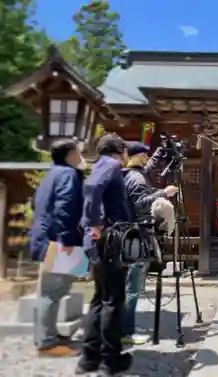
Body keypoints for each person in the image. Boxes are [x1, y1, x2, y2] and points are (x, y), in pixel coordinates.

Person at [76, 134, 133, 376]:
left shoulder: (99, 166)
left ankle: (89, 358)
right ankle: (110, 361)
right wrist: (96, 223)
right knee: (112, 301)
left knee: (100, 298)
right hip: (108, 241)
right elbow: (93, 188)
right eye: (126, 149)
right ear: (119, 149)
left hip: (98, 242)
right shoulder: (110, 166)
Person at [29, 139, 84, 357]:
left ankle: (45, 334)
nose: (81, 155)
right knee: (52, 292)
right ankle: (47, 343)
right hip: (60, 240)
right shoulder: (67, 175)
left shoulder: (51, 173)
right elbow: (65, 208)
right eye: (78, 152)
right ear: (70, 153)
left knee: (50, 291)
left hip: (48, 238)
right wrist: (68, 239)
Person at [121, 141, 179, 345]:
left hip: (128, 235)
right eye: (144, 155)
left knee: (129, 285)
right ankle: (126, 331)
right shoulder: (137, 179)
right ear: (135, 156)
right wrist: (164, 193)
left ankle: (122, 328)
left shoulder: (129, 174)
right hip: (137, 235)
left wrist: (160, 150)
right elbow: (140, 203)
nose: (147, 159)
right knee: (132, 287)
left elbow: (149, 166)